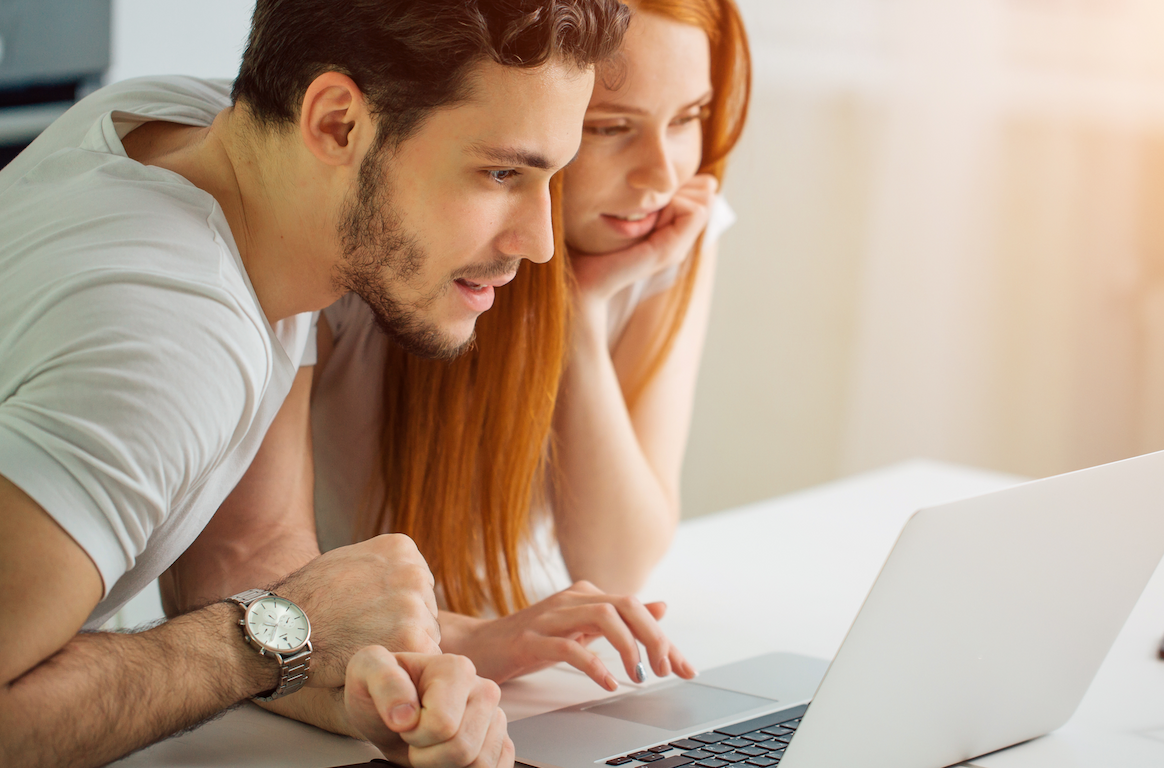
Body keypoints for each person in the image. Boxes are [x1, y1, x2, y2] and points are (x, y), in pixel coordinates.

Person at [0, 1, 631, 766]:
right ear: (336, 123)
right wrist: (264, 637)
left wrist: (371, 680)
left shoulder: (189, 130)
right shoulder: (173, 338)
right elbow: (258, 615)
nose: (537, 241)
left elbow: (242, 556)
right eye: (501, 172)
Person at [303, 0, 751, 691]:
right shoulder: (367, 252)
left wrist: (578, 310)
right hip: (352, 674)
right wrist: (474, 640)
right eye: (609, 128)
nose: (661, 176)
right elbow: (260, 580)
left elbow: (617, 560)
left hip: (527, 674)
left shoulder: (669, 230)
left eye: (689, 117)